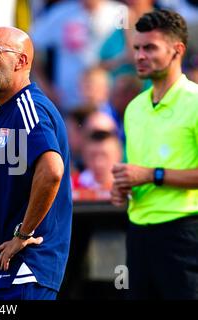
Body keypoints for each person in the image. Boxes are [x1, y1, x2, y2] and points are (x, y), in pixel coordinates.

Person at [0, 27, 72, 300]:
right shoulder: (9, 111)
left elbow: (52, 170)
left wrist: (23, 232)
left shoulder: (28, 107)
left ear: (21, 61)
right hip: (5, 274)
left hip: (23, 271)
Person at [111, 10, 198, 299]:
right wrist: (123, 187)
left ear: (178, 51)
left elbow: (147, 172)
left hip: (184, 233)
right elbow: (137, 171)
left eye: (150, 48)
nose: (139, 56)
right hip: (137, 233)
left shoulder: (195, 102)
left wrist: (151, 175)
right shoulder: (134, 107)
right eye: (136, 48)